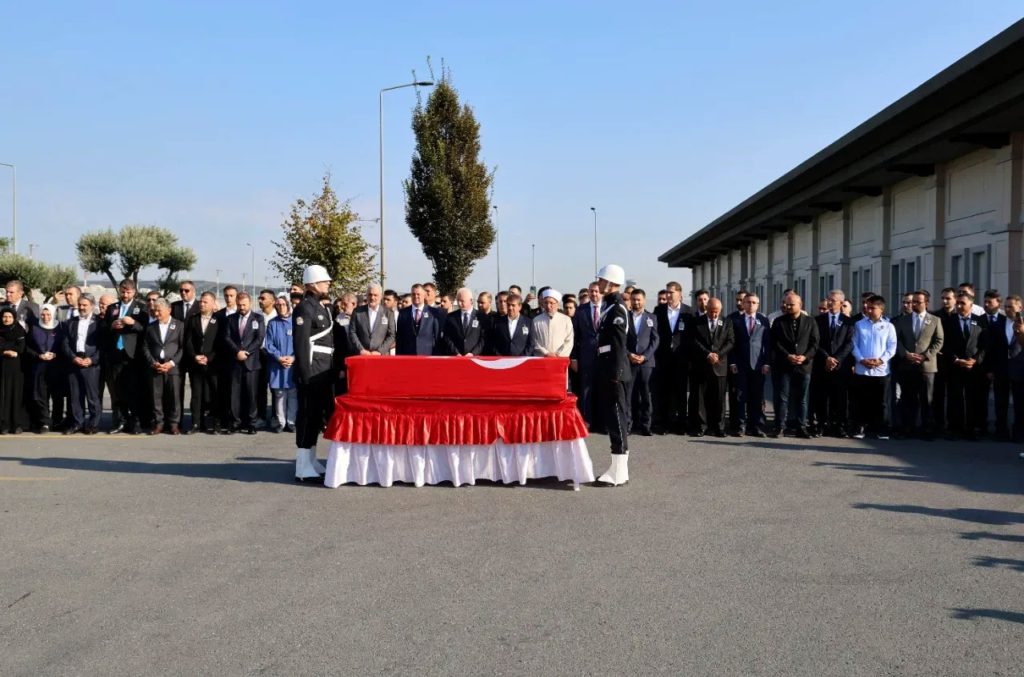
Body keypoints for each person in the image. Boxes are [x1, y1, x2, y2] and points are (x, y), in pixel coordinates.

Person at [292, 265, 335, 480]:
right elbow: (301, 344)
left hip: (323, 367)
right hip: (311, 367)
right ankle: (302, 465)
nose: (328, 283)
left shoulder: (319, 306)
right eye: (324, 281)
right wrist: (304, 374)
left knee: (316, 416)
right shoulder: (305, 308)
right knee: (307, 416)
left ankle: (311, 459)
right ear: (312, 284)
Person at [594, 264, 632, 486]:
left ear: (611, 283)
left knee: (617, 418)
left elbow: (619, 344)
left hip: (614, 371)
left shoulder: (617, 309)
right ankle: (619, 468)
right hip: (608, 368)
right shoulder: (609, 306)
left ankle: (618, 471)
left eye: (601, 280)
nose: (598, 284)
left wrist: (616, 372)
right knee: (613, 417)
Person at [893, 290, 944, 439]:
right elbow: (897, 341)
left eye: (917, 302)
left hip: (926, 367)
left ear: (926, 303)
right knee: (908, 398)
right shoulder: (903, 320)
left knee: (926, 399)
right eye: (912, 301)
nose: (913, 304)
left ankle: (926, 428)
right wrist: (906, 354)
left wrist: (925, 356)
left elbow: (939, 341)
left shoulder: (935, 320)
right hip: (907, 365)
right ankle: (908, 427)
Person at [769, 292, 818, 438]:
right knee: (782, 398)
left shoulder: (810, 321)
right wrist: (787, 356)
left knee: (802, 399)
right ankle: (779, 426)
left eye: (791, 304)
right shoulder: (779, 322)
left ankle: (801, 427)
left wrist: (804, 357)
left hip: (803, 366)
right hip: (784, 365)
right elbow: (774, 343)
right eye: (786, 304)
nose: (788, 307)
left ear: (800, 305)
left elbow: (814, 343)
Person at [850, 295, 897, 440]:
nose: (868, 310)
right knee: (861, 401)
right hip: (862, 369)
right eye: (867, 307)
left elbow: (892, 347)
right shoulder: (859, 324)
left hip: (881, 371)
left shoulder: (888, 326)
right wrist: (861, 359)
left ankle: (880, 429)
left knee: (881, 402)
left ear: (881, 308)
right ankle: (860, 428)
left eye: (872, 307)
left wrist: (881, 360)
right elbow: (854, 344)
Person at [104, 279, 147, 434]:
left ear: (134, 292)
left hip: (133, 356)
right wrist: (111, 326)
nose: (125, 294)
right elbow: (104, 330)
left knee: (134, 390)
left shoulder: (141, 308)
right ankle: (120, 422)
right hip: (116, 354)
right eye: (123, 291)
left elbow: (145, 329)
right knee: (118, 391)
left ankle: (135, 422)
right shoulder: (112, 308)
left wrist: (132, 323)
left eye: (128, 291)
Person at [811, 290, 855, 437]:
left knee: (840, 398)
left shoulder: (849, 322)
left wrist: (836, 359)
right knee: (821, 397)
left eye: (833, 300)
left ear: (841, 303)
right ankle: (822, 424)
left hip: (841, 366)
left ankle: (840, 425)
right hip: (822, 364)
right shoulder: (818, 320)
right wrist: (827, 358)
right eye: (829, 299)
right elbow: (815, 342)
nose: (830, 302)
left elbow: (849, 343)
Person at [942, 293, 986, 440]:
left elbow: (984, 345)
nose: (959, 306)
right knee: (955, 398)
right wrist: (955, 359)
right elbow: (944, 344)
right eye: (958, 303)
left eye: (963, 303)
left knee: (973, 398)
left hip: (973, 368)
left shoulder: (980, 321)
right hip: (955, 366)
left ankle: (971, 428)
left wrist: (975, 360)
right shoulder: (949, 321)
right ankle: (955, 428)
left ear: (971, 305)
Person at [689, 298, 734, 437]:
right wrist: (707, 354)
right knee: (700, 398)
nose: (714, 315)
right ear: (706, 308)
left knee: (719, 398)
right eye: (711, 312)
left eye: (717, 312)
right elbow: (694, 341)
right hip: (701, 365)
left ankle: (719, 426)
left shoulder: (727, 322)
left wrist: (717, 355)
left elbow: (730, 341)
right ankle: (702, 426)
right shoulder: (697, 322)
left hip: (719, 366)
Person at [222, 292, 264, 435]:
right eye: (239, 305)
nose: (242, 307)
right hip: (235, 362)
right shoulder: (230, 319)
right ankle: (235, 423)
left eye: (244, 305)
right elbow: (226, 338)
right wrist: (237, 352)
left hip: (251, 362)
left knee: (251, 394)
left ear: (250, 303)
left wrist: (246, 352)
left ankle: (251, 423)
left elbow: (259, 339)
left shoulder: (258, 318)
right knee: (234, 394)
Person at [728, 293, 771, 437]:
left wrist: (766, 362)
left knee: (757, 398)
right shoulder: (736, 321)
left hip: (758, 365)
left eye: (754, 302)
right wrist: (732, 361)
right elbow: (732, 343)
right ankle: (741, 426)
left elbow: (767, 344)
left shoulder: (763, 321)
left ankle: (757, 426)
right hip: (741, 365)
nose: (751, 305)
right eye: (748, 302)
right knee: (740, 397)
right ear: (743, 304)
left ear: (758, 305)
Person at [652, 281, 692, 435]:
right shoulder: (659, 310)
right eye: (667, 292)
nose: (668, 295)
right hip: (663, 358)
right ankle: (664, 424)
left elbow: (690, 336)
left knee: (681, 392)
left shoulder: (688, 312)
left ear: (679, 294)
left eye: (671, 292)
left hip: (681, 359)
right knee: (664, 392)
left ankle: (681, 423)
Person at [142, 298, 185, 435]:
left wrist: (171, 363)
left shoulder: (179, 325)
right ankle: (159, 423)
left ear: (169, 310)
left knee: (174, 397)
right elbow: (145, 347)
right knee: (156, 397)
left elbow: (183, 347)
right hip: (155, 366)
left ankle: (174, 424)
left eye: (159, 310)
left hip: (172, 367)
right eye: (154, 310)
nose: (156, 313)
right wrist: (152, 362)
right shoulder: (150, 327)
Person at [62, 294, 102, 434]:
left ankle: (93, 424)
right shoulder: (71, 322)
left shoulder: (99, 322)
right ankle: (77, 422)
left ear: (92, 305)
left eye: (85, 305)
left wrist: (92, 359)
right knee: (75, 396)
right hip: (75, 362)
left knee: (92, 396)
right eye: (80, 305)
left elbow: (103, 346)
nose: (81, 307)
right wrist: (73, 357)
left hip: (91, 363)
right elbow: (65, 343)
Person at [184, 291, 220, 434]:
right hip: (196, 363)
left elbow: (220, 342)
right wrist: (195, 356)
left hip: (213, 364)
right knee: (196, 395)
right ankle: (196, 423)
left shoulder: (219, 320)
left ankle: (216, 423)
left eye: (205, 302)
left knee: (214, 394)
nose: (202, 304)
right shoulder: (193, 319)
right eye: (201, 301)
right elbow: (188, 341)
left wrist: (209, 357)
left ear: (213, 303)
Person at [625, 288, 658, 436]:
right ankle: (629, 425)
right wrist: (628, 354)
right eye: (634, 299)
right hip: (629, 362)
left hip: (646, 363)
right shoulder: (625, 317)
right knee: (629, 395)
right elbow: (620, 340)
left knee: (646, 395)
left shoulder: (652, 317)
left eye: (639, 299)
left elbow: (655, 339)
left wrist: (645, 356)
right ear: (630, 300)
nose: (636, 302)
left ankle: (646, 425)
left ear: (644, 300)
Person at [979, 289, 1010, 439]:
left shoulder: (1005, 320)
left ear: (999, 303)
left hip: (1001, 367)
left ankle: (1001, 428)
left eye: (989, 302)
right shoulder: (979, 320)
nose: (986, 305)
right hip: (982, 365)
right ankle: (982, 426)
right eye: (985, 302)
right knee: (981, 399)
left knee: (1001, 400)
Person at [571, 281, 603, 426]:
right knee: (586, 390)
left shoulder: (609, 308)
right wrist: (575, 358)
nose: (594, 294)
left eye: (596, 291)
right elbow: (575, 336)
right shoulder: (581, 310)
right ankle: (586, 421)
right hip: (586, 356)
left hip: (605, 357)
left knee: (603, 389)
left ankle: (602, 422)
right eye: (591, 291)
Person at [27, 304, 62, 433]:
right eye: (43, 314)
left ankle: (57, 421)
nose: (45, 317)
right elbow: (27, 347)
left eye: (48, 314)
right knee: (42, 395)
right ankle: (45, 422)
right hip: (39, 366)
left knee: (57, 395)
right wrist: (39, 355)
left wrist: (56, 354)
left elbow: (64, 345)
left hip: (56, 367)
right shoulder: (34, 328)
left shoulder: (60, 327)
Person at [265, 295, 297, 433]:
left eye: (283, 304)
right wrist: (279, 358)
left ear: (288, 305)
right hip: (277, 364)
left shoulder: (296, 322)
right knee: (279, 394)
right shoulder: (272, 323)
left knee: (292, 394)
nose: (281, 307)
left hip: (292, 365)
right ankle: (280, 422)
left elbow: (301, 343)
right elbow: (269, 344)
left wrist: (293, 358)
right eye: (278, 305)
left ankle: (292, 422)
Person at [349, 283, 396, 356]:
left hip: (381, 356)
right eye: (370, 294)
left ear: (381, 297)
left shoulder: (388, 313)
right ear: (367, 296)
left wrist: (380, 351)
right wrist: (361, 349)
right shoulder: (357, 312)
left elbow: (392, 335)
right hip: (362, 355)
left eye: (375, 295)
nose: (372, 297)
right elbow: (352, 332)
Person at [0, 307, 26, 433]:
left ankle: (17, 424)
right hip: (2, 366)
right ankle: (4, 424)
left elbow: (21, 348)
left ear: (14, 318)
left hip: (16, 368)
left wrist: (7, 348)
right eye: (5, 317)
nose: (7, 319)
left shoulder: (19, 330)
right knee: (3, 395)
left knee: (15, 394)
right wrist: (8, 349)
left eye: (10, 317)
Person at [396, 284, 441, 356]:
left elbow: (436, 337)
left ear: (424, 295)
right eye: (413, 294)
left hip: (427, 356)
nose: (416, 296)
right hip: (408, 356)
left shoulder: (433, 312)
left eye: (418, 294)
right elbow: (399, 337)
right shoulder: (403, 313)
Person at [439, 287, 486, 356]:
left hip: (475, 358)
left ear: (471, 301)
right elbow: (447, 337)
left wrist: (473, 353)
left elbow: (483, 339)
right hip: (456, 358)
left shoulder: (481, 317)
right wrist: (456, 353)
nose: (459, 303)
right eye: (458, 301)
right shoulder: (451, 317)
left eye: (462, 301)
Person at [532, 288, 574, 359]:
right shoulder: (536, 320)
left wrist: (558, 354)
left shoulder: (566, 320)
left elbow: (569, 341)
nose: (548, 306)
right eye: (546, 303)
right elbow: (534, 340)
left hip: (560, 359)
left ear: (557, 304)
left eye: (551, 303)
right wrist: (546, 353)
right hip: (542, 359)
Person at [332, 292, 358, 395]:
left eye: (345, 304)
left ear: (353, 304)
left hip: (357, 356)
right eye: (342, 304)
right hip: (343, 357)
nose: (342, 307)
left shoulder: (361, 317)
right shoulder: (339, 318)